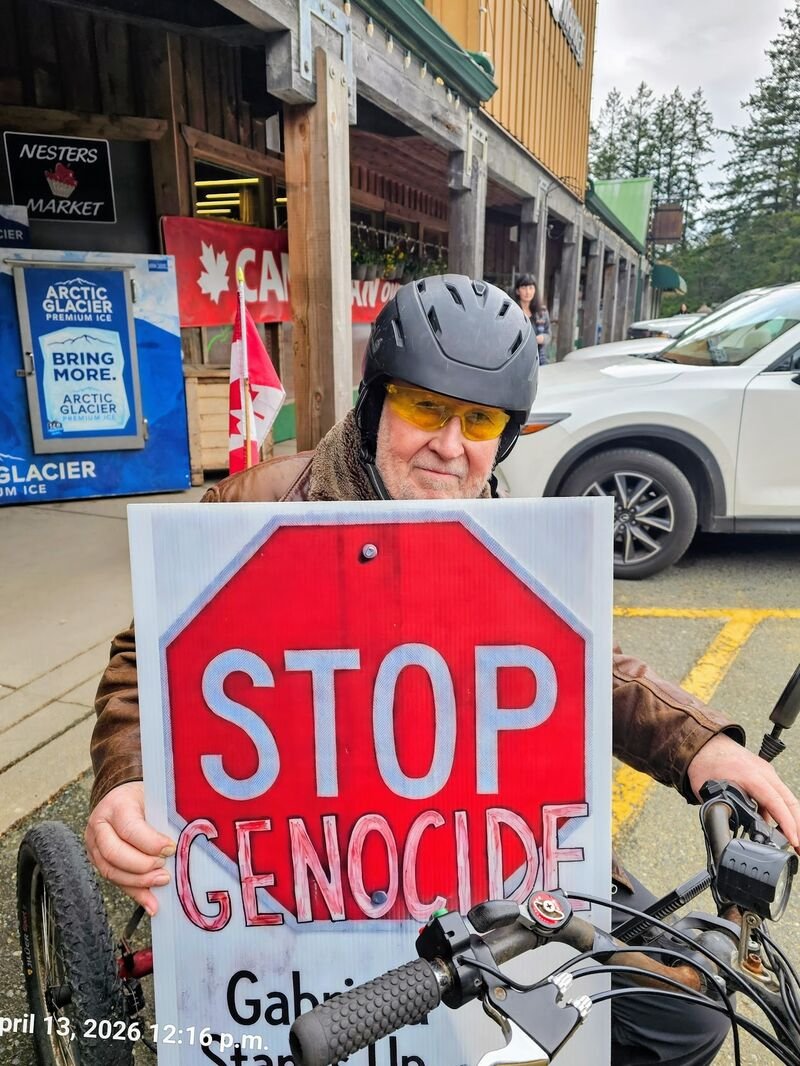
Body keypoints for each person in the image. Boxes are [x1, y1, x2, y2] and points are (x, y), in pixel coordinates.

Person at [88, 275, 800, 1066]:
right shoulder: (253, 511)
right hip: (301, 850)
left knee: (681, 1014)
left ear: (506, 434)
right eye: (426, 407)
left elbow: (583, 660)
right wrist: (126, 776)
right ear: (374, 405)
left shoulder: (505, 526)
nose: (450, 443)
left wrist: (701, 744)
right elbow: (144, 658)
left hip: (476, 839)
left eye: (481, 420)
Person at [513, 272, 551, 363]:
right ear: (517, 291)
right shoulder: (513, 311)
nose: (528, 292)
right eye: (524, 288)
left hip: (539, 359)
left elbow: (548, 335)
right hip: (517, 359)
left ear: (535, 290)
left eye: (531, 288)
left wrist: (542, 338)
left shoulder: (542, 311)